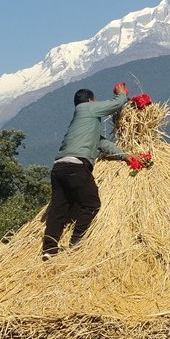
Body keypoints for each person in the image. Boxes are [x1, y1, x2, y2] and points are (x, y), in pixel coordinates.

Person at [40, 82, 141, 259]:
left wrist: (124, 155)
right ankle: (76, 241)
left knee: (58, 210)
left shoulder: (80, 123)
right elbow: (115, 105)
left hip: (59, 168)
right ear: (90, 100)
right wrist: (122, 94)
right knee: (91, 203)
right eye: (95, 101)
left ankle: (49, 250)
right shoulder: (87, 108)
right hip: (75, 167)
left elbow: (101, 143)